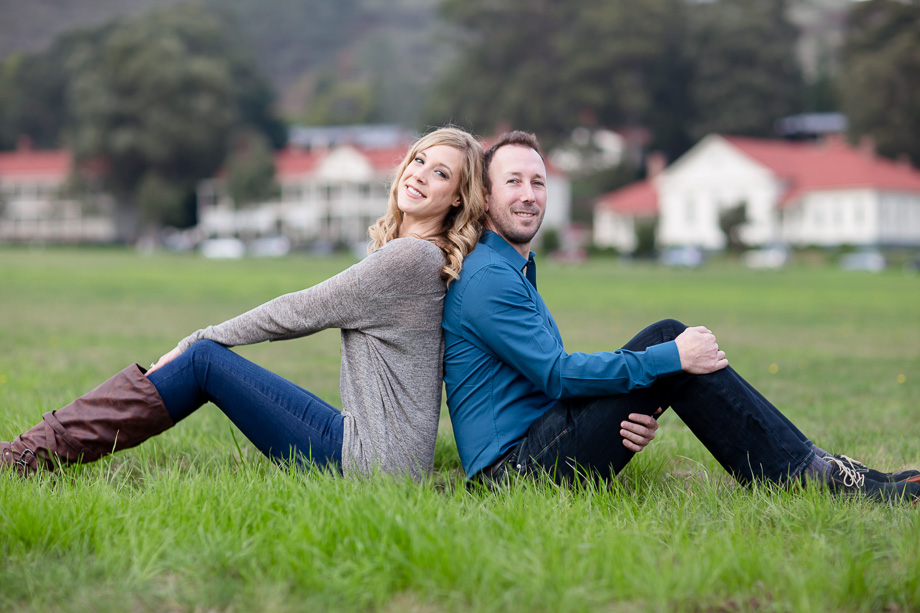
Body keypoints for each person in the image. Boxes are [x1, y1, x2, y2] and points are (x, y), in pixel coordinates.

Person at [442, 130, 920, 502]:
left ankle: (824, 469)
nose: (528, 194)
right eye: (513, 181)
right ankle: (815, 476)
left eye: (538, 182)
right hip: (512, 476)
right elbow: (559, 375)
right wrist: (668, 361)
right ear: (485, 194)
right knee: (670, 342)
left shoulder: (511, 268)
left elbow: (543, 386)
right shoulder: (489, 278)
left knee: (669, 349)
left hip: (538, 445)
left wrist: (614, 413)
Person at [2, 126, 485, 480]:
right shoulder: (421, 256)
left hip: (370, 465)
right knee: (204, 359)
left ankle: (26, 455)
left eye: (440, 173)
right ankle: (31, 451)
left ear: (458, 199)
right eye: (419, 160)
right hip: (377, 454)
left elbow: (298, 310)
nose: (419, 175)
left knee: (203, 361)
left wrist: (194, 339)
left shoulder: (409, 258)